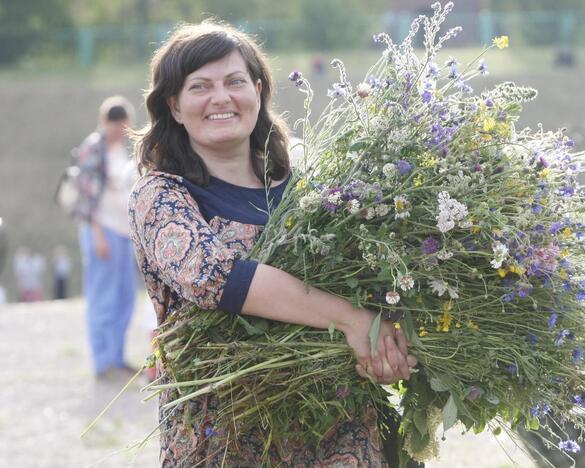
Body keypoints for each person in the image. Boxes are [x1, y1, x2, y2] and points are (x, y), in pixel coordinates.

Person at [129, 21, 417, 466]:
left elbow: (375, 281)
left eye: (234, 82)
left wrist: (386, 344)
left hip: (339, 430)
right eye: (200, 86)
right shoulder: (161, 195)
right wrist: (353, 321)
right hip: (225, 435)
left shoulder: (313, 189)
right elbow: (212, 276)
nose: (220, 98)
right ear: (175, 105)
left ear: (259, 91)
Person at [76, 95, 138, 378]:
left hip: (124, 231)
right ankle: (103, 362)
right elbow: (86, 196)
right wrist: (97, 234)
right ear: (105, 122)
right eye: (114, 125)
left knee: (125, 296)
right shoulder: (94, 147)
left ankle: (117, 356)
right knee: (103, 296)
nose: (117, 130)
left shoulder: (123, 150)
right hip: (102, 230)